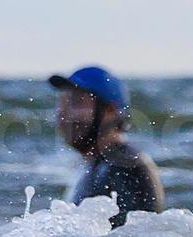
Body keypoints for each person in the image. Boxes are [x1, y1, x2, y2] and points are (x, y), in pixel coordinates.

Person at [51, 65, 162, 223]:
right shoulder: (99, 165)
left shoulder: (123, 166)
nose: (63, 114)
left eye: (76, 102)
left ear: (110, 110)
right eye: (62, 103)